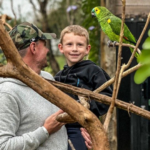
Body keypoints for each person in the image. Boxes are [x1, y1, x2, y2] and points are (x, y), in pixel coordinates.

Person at [0, 22, 91, 150]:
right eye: (45, 45)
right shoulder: (7, 92)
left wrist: (83, 134)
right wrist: (45, 130)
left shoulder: (47, 78)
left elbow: (60, 124)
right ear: (34, 47)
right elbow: (3, 146)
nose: (48, 50)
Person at [55, 25, 113, 150]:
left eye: (80, 45)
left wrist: (84, 108)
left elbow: (107, 97)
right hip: (60, 126)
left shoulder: (93, 71)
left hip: (82, 127)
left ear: (87, 49)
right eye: (69, 44)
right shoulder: (58, 77)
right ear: (61, 48)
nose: (74, 49)